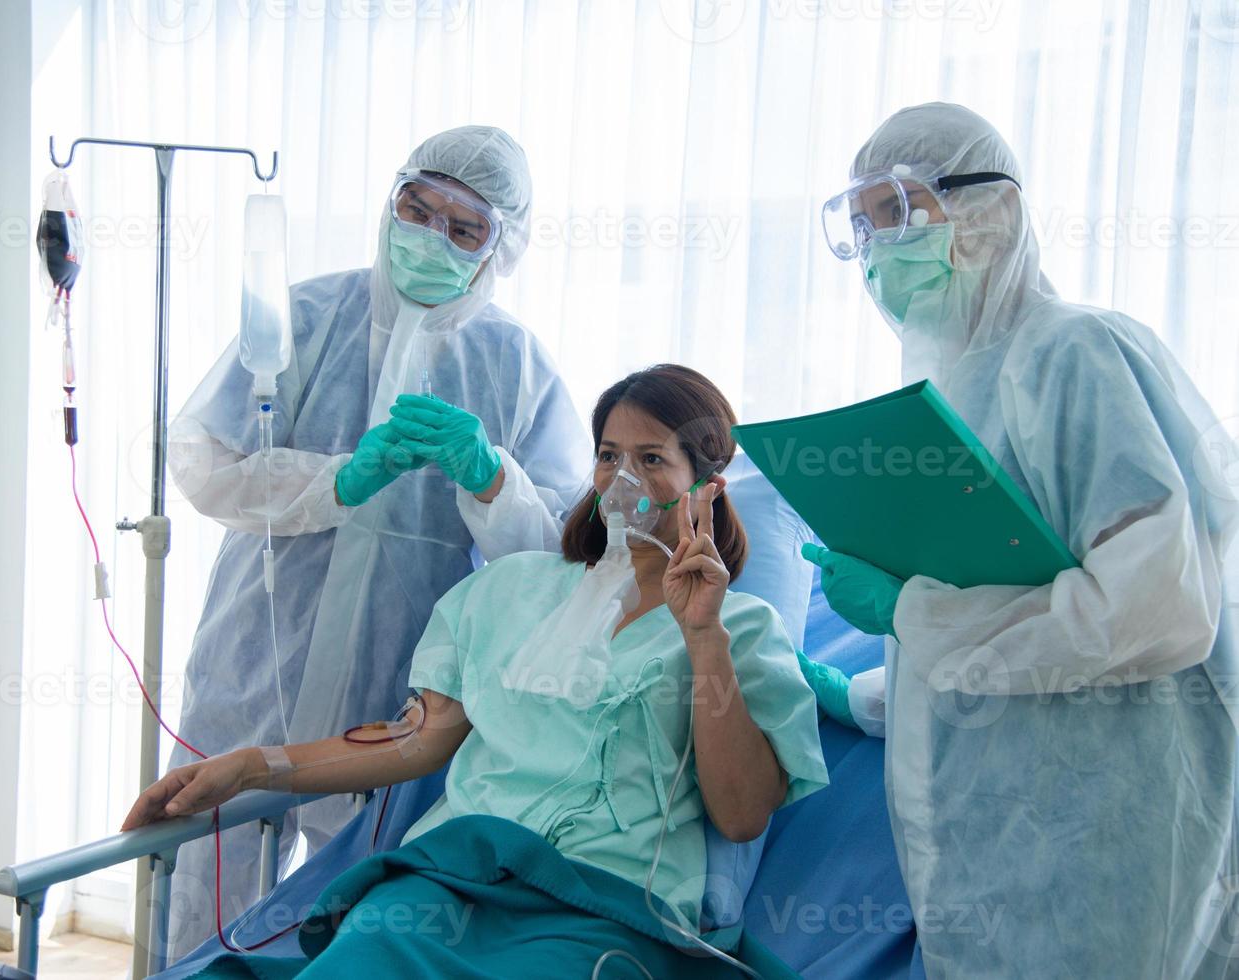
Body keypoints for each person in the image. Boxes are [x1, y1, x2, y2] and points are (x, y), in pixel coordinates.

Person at [125, 365, 828, 978]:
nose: (622, 480)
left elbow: (740, 817)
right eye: (609, 455)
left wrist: (701, 634)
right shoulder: (508, 589)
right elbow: (418, 741)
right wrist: (249, 766)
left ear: (705, 486)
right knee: (363, 958)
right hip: (448, 880)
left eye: (652, 459)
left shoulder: (743, 629)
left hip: (604, 906)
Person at [808, 102, 1238, 977]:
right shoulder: (955, 394)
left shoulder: (1075, 354)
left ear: (990, 213)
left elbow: (1154, 612)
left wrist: (908, 611)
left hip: (1113, 824)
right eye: (861, 227)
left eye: (898, 212)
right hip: (992, 847)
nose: (877, 249)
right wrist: (867, 692)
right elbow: (996, 603)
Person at [162, 125, 591, 958]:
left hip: (397, 683)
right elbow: (204, 461)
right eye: (416, 208)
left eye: (463, 228)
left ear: (500, 248)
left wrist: (489, 477)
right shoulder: (302, 317)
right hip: (259, 649)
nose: (430, 237)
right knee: (210, 872)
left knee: (348, 895)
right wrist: (336, 482)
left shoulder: (518, 366)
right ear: (389, 199)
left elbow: (556, 556)